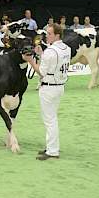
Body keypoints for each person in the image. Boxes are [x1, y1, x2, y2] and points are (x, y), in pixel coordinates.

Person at [22, 23, 71, 160]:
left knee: (50, 120)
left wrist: (30, 60)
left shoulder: (51, 51)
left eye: (49, 34)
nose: (47, 36)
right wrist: (41, 54)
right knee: (52, 118)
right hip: (59, 86)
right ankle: (51, 146)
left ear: (57, 35)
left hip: (49, 87)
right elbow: (53, 64)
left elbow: (42, 72)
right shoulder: (66, 48)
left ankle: (53, 151)